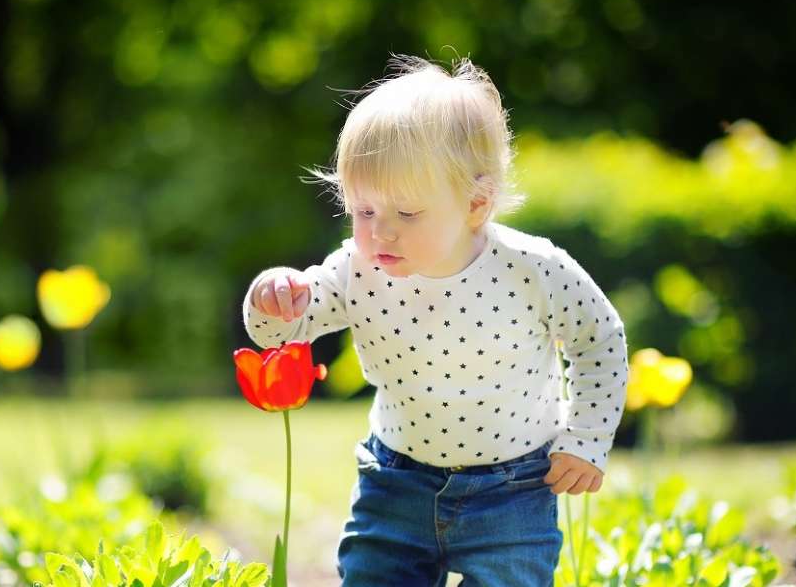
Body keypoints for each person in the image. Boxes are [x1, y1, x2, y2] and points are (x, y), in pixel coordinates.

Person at [240, 53, 630, 586]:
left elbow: (599, 339)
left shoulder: (533, 269)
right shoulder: (357, 270)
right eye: (365, 211)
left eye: (406, 213)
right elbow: (281, 333)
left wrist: (585, 438)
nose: (382, 233)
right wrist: (272, 298)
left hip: (513, 489)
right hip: (395, 482)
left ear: (476, 203)